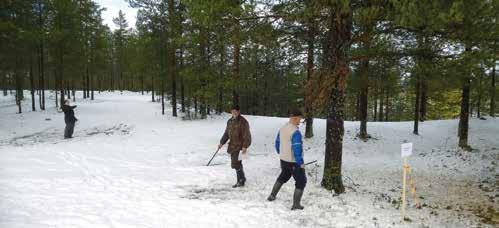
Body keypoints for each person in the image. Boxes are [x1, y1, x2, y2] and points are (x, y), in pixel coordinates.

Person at [267, 109, 306, 210]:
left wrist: (282, 153)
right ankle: (296, 204)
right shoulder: (295, 132)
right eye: (300, 119)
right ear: (295, 118)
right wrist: (300, 162)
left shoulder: (283, 128)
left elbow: (277, 143)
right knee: (301, 181)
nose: (300, 121)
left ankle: (272, 195)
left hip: (283, 160)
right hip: (294, 162)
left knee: (283, 176)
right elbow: (297, 148)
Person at [218, 105, 252, 188]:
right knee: (237, 163)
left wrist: (245, 146)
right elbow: (226, 133)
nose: (234, 113)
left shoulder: (243, 121)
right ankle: (242, 178)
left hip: (239, 146)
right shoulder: (230, 121)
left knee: (235, 163)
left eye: (235, 111)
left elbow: (247, 135)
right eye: (232, 111)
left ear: (239, 111)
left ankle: (240, 181)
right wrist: (221, 142)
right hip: (232, 145)